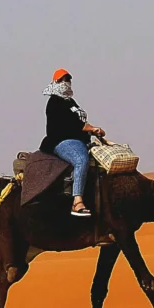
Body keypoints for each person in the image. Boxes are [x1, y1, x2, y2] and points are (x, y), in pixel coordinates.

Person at [41, 69, 105, 220]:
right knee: (81, 160)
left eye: (68, 79)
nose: (66, 82)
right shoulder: (55, 102)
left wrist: (92, 131)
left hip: (80, 140)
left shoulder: (70, 101)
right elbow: (73, 124)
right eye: (63, 79)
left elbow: (81, 122)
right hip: (62, 141)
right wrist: (92, 128)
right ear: (55, 82)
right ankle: (77, 201)